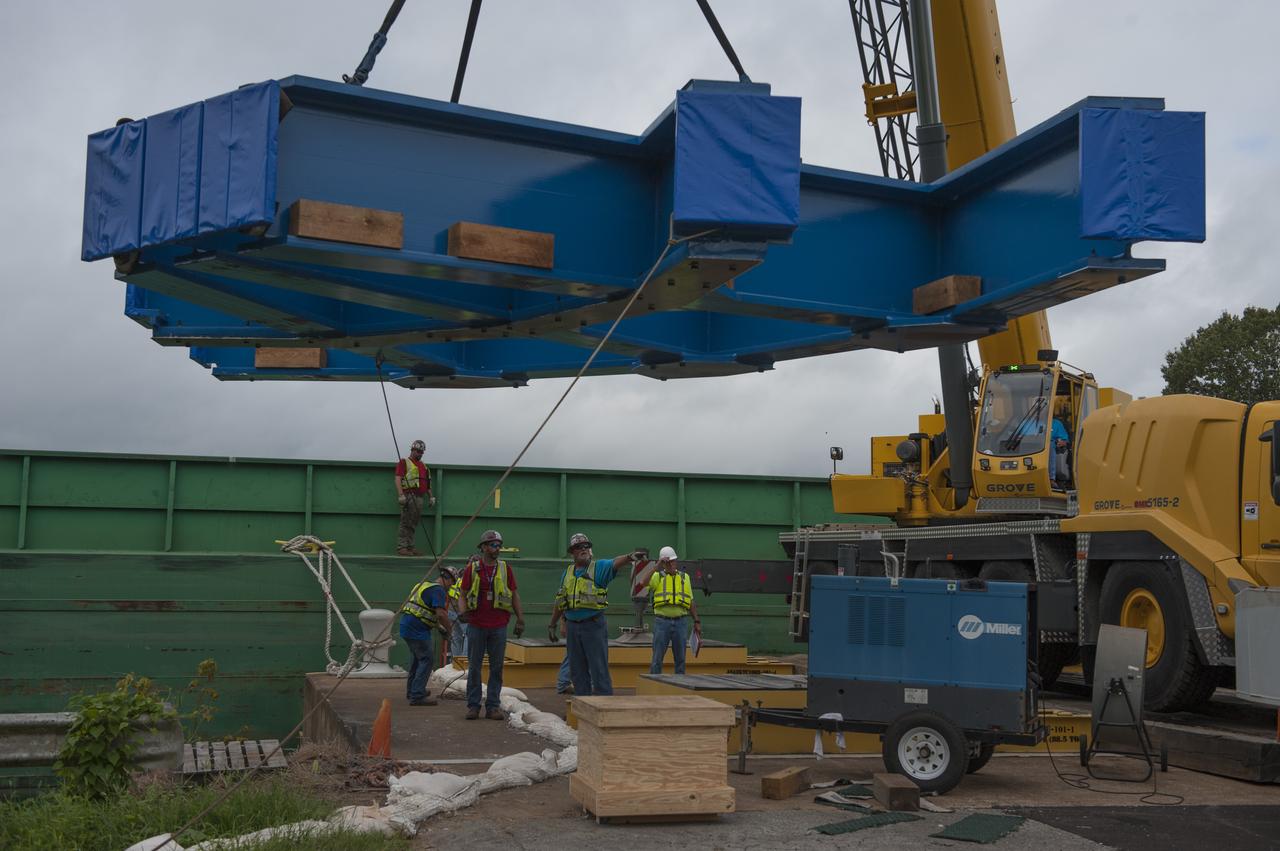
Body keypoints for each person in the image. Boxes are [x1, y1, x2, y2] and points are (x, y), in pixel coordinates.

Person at [547, 533, 644, 696]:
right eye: (579, 547)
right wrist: (553, 624)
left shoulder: (598, 568)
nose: (584, 549)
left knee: (598, 669)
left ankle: (604, 706)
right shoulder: (568, 573)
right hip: (572, 627)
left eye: (586, 546)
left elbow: (615, 562)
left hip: (593, 626)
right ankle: (582, 705)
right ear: (572, 552)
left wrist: (629, 557)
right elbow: (561, 601)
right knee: (577, 671)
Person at [458, 529, 526, 720]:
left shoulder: (505, 569)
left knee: (496, 668)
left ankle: (493, 706)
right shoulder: (473, 569)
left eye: (498, 545)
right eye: (493, 545)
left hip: (498, 626)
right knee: (474, 667)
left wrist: (520, 618)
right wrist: (463, 612)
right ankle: (473, 705)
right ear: (483, 547)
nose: (496, 549)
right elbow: (462, 594)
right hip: (477, 625)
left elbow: (514, 595)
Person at [398, 567, 455, 706]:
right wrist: (449, 630)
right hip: (417, 630)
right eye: (451, 583)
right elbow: (441, 614)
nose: (451, 587)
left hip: (407, 626)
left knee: (417, 660)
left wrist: (439, 628)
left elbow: (423, 611)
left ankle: (413, 691)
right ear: (446, 578)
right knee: (426, 659)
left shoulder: (423, 585)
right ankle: (417, 695)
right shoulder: (438, 590)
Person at [648, 546, 701, 675]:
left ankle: (680, 688)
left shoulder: (685, 578)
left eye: (673, 561)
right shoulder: (657, 576)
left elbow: (690, 601)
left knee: (681, 660)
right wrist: (656, 566)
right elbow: (643, 582)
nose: (672, 564)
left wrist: (697, 621)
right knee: (657, 659)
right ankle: (654, 688)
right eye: (668, 562)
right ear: (663, 563)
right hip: (662, 622)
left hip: (680, 623)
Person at [394, 439, 435, 556]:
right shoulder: (404, 462)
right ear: (412, 450)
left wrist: (431, 496)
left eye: (422, 452)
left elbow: (427, 484)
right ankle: (402, 547)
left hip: (419, 497)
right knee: (405, 521)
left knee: (413, 523)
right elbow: (398, 478)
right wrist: (401, 494)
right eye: (418, 451)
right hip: (408, 496)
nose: (420, 454)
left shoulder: (424, 466)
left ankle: (410, 547)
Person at [1052, 403, 1072, 487]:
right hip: (1030, 448)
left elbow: (1065, 440)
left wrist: (1062, 442)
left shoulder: (1056, 424)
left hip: (1048, 448)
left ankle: (1051, 478)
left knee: (1049, 445)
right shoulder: (1029, 423)